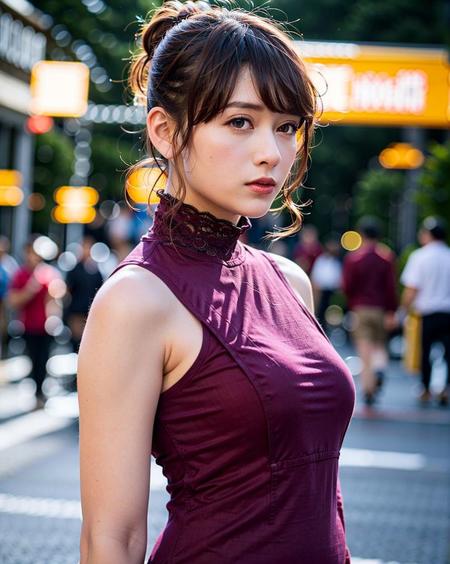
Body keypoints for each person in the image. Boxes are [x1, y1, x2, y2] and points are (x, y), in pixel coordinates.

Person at [77, 3, 356, 563]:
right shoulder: (137, 299)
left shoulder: (289, 281)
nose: (271, 154)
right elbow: (113, 538)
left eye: (287, 127)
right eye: (239, 122)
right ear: (165, 130)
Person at [342, 217, 397, 406]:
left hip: (360, 308)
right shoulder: (386, 257)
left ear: (362, 233)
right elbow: (391, 287)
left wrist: (351, 304)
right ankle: (380, 368)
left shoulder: (354, 258)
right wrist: (391, 311)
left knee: (364, 349)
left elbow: (347, 286)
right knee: (380, 345)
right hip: (381, 309)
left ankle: (368, 389)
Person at [399, 217, 450, 406]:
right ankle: (446, 388)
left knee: (425, 351)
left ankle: (426, 388)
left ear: (427, 235)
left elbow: (412, 288)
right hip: (447, 312)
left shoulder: (419, 256)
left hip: (427, 312)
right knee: (448, 353)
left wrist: (403, 310)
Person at [6, 235, 57, 408]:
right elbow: (12, 301)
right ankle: (37, 394)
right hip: (28, 326)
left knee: (44, 360)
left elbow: (57, 298)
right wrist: (29, 290)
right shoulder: (20, 275)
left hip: (47, 326)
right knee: (33, 360)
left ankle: (42, 394)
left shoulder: (48, 273)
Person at [64, 234, 104, 353]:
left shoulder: (96, 270)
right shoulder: (75, 269)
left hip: (90, 312)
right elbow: (68, 290)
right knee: (77, 342)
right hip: (76, 312)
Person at [311, 237, 342, 329]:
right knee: (321, 313)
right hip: (321, 292)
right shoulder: (321, 260)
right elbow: (316, 277)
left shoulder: (338, 262)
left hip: (333, 292)